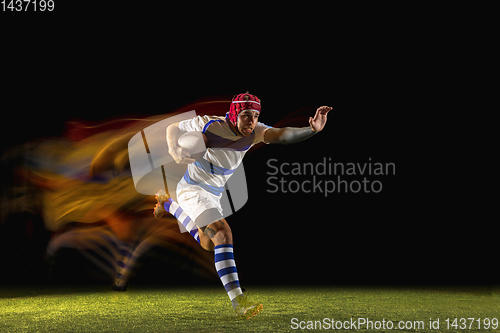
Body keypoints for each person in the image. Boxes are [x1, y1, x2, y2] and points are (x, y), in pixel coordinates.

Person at [154, 92, 331, 318]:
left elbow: (283, 135)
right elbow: (173, 128)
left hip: (214, 194)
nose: (252, 121)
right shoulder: (209, 124)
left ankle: (167, 204)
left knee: (209, 244)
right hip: (193, 190)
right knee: (223, 233)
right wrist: (174, 148)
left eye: (256, 115)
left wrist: (312, 130)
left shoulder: (256, 132)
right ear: (235, 113)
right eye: (247, 115)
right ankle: (239, 302)